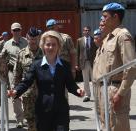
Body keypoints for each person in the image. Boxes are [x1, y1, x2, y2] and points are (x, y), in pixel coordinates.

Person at [8, 30, 84, 131]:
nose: (51, 47)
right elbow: (26, 82)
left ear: (59, 47)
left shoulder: (65, 65)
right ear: (43, 46)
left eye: (54, 45)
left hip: (61, 110)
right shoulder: (36, 65)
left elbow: (71, 85)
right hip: (43, 109)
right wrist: (16, 91)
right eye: (48, 44)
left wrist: (78, 91)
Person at [94, 2, 136, 131]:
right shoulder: (108, 38)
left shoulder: (122, 36)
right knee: (105, 125)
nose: (103, 20)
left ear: (115, 17)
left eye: (105, 16)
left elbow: (131, 67)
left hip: (114, 89)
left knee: (117, 126)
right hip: (103, 89)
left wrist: (120, 93)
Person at [12, 27, 43, 131]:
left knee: (44, 120)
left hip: (43, 94)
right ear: (27, 38)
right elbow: (17, 75)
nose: (33, 41)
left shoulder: (45, 53)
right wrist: (16, 92)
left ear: (38, 38)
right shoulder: (21, 54)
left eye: (35, 39)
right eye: (31, 39)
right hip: (28, 95)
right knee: (31, 122)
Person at [0, 22, 27, 128]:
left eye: (18, 30)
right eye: (14, 30)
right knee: (15, 96)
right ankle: (19, 119)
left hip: (25, 72)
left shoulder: (26, 42)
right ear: (11, 31)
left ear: (21, 30)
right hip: (13, 74)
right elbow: (1, 57)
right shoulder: (7, 44)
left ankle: (28, 116)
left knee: (27, 95)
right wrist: (2, 70)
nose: (16, 32)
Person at [76, 26, 97, 102]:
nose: (87, 31)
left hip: (92, 63)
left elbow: (96, 51)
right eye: (85, 30)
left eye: (88, 30)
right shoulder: (79, 40)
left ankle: (96, 96)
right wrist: (77, 64)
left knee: (94, 80)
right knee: (85, 80)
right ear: (83, 31)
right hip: (84, 63)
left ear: (90, 31)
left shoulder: (94, 40)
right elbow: (77, 53)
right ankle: (87, 95)